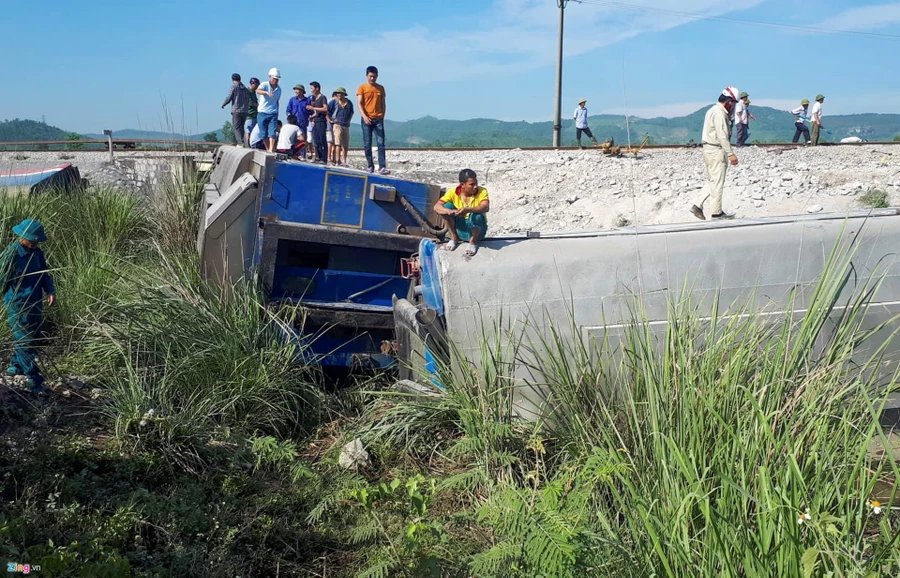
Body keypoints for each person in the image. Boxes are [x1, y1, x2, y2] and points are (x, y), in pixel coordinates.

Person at [1, 219, 56, 393]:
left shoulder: (37, 253)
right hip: (17, 304)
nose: (34, 243)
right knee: (25, 340)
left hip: (35, 302)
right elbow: (2, 279)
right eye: (31, 240)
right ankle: (34, 379)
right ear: (21, 236)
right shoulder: (10, 255)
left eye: (37, 240)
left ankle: (15, 364)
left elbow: (44, 274)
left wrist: (50, 291)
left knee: (33, 335)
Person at [690, 87, 740, 221]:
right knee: (718, 182)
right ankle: (716, 213)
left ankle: (697, 205)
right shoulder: (720, 113)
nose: (733, 107)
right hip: (717, 150)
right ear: (728, 101)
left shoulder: (711, 110)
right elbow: (722, 136)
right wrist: (730, 154)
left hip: (708, 149)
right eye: (733, 103)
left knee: (713, 180)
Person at [434, 169, 490, 257]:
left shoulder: (482, 191)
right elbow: (437, 207)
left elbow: (485, 207)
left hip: (478, 230)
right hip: (460, 229)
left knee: (477, 215)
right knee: (447, 207)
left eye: (476, 183)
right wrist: (450, 211)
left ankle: (473, 242)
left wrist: (468, 209)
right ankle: (454, 237)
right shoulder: (453, 192)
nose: (475, 186)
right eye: (471, 184)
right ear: (462, 185)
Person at [357, 66, 389, 174]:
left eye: (374, 77)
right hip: (367, 119)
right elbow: (359, 103)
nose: (372, 79)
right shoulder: (362, 88)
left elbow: (383, 103)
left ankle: (382, 166)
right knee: (367, 143)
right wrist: (365, 117)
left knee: (381, 143)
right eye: (370, 76)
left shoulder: (381, 88)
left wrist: (382, 115)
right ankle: (370, 165)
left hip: (378, 119)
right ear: (367, 76)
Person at [256, 68, 282, 153]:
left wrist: (277, 111)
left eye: (277, 79)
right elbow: (258, 91)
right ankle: (267, 148)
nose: (275, 81)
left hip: (273, 112)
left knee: (272, 132)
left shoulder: (279, 89)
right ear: (270, 77)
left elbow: (277, 101)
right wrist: (266, 93)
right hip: (262, 112)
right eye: (274, 78)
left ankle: (271, 149)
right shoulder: (264, 84)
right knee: (263, 133)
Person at [328, 87, 354, 167]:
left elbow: (351, 112)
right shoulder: (334, 102)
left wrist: (348, 120)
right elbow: (327, 112)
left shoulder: (349, 103)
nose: (339, 95)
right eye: (338, 93)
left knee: (345, 144)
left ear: (344, 94)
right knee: (337, 143)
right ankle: (337, 160)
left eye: (340, 93)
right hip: (337, 124)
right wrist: (331, 121)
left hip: (346, 125)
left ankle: (344, 160)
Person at [221, 73, 249, 145]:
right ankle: (243, 141)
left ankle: (240, 143)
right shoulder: (245, 89)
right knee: (242, 127)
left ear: (233, 79)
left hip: (236, 110)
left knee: (236, 127)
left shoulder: (233, 87)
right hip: (245, 110)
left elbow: (229, 97)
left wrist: (224, 104)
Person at [306, 82, 329, 164]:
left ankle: (324, 158)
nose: (311, 90)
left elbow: (325, 109)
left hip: (321, 122)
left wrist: (313, 107)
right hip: (315, 121)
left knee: (322, 140)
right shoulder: (314, 99)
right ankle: (318, 157)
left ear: (317, 88)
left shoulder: (322, 97)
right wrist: (312, 117)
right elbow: (317, 112)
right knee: (316, 140)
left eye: (312, 88)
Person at [286, 84, 311, 159]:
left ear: (302, 91)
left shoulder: (307, 101)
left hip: (303, 123)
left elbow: (311, 112)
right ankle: (293, 154)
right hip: (293, 123)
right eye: (295, 90)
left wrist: (311, 118)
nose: (296, 91)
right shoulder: (292, 100)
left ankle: (303, 155)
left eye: (298, 90)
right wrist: (289, 117)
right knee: (292, 139)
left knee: (303, 140)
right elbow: (288, 110)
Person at [245, 77, 260, 147]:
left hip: (254, 115)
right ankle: (248, 146)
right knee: (248, 131)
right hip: (249, 115)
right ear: (252, 84)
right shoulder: (248, 92)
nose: (257, 87)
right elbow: (250, 103)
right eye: (256, 85)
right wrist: (259, 105)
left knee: (253, 132)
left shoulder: (254, 92)